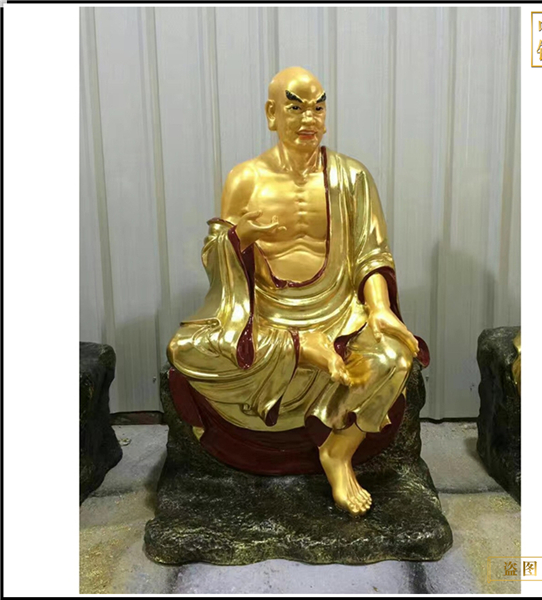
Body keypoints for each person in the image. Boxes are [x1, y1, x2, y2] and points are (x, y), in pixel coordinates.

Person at [168, 66, 426, 516]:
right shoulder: (246, 179)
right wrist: (240, 238)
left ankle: (338, 452)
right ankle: (301, 348)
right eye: (296, 108)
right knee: (185, 349)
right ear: (272, 114)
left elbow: (371, 254)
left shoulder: (351, 177)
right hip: (268, 316)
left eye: (318, 108)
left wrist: (380, 307)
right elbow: (217, 261)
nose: (310, 119)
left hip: (339, 313)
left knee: (394, 355)